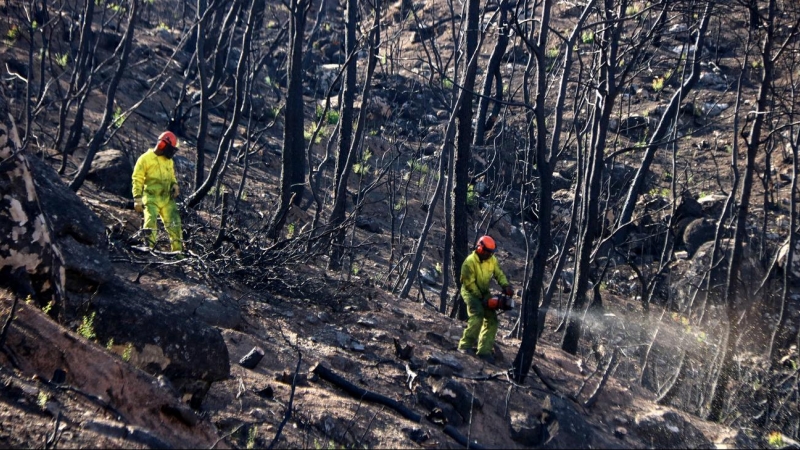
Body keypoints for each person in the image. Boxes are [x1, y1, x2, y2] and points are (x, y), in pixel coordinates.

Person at [457, 235, 514, 364]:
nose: (489, 255)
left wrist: (506, 286)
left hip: (483, 291)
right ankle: (465, 345)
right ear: (480, 248)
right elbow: (469, 284)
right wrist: (483, 300)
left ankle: (484, 351)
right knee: (478, 314)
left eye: (490, 252)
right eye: (487, 252)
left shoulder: (492, 260)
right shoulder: (469, 262)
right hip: (470, 292)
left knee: (492, 320)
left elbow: (498, 273)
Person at [132, 131, 183, 252]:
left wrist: (174, 184)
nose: (171, 152)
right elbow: (137, 178)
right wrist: (137, 198)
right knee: (150, 221)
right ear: (162, 145)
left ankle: (178, 252)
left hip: (167, 199)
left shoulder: (169, 161)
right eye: (171, 149)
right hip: (151, 197)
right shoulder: (145, 159)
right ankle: (149, 247)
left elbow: (171, 176)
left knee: (175, 223)